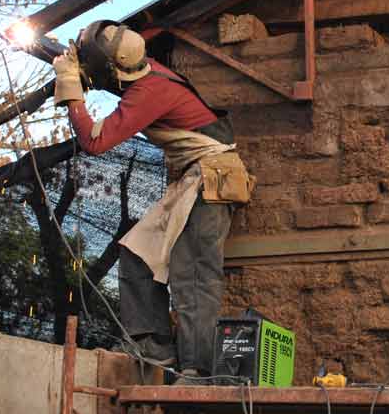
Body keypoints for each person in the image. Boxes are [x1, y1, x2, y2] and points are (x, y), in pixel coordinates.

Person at [52, 20, 251, 379]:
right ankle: (154, 347)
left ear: (111, 67)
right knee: (137, 253)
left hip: (211, 179)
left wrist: (69, 85)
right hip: (194, 177)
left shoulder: (148, 92)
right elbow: (112, 82)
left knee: (193, 273)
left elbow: (94, 142)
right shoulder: (146, 71)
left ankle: (197, 370)